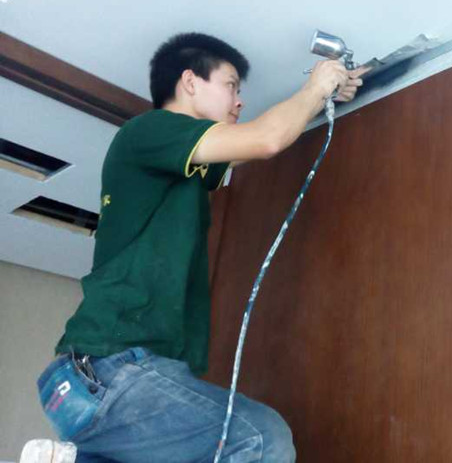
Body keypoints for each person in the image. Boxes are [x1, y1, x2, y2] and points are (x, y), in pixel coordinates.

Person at [34, 32, 365, 462]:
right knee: (261, 438)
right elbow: (265, 139)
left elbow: (248, 146)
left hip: (89, 386)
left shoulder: (181, 163)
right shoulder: (149, 130)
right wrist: (315, 86)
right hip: (112, 367)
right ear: (190, 82)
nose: (239, 101)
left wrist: (321, 99)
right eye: (231, 85)